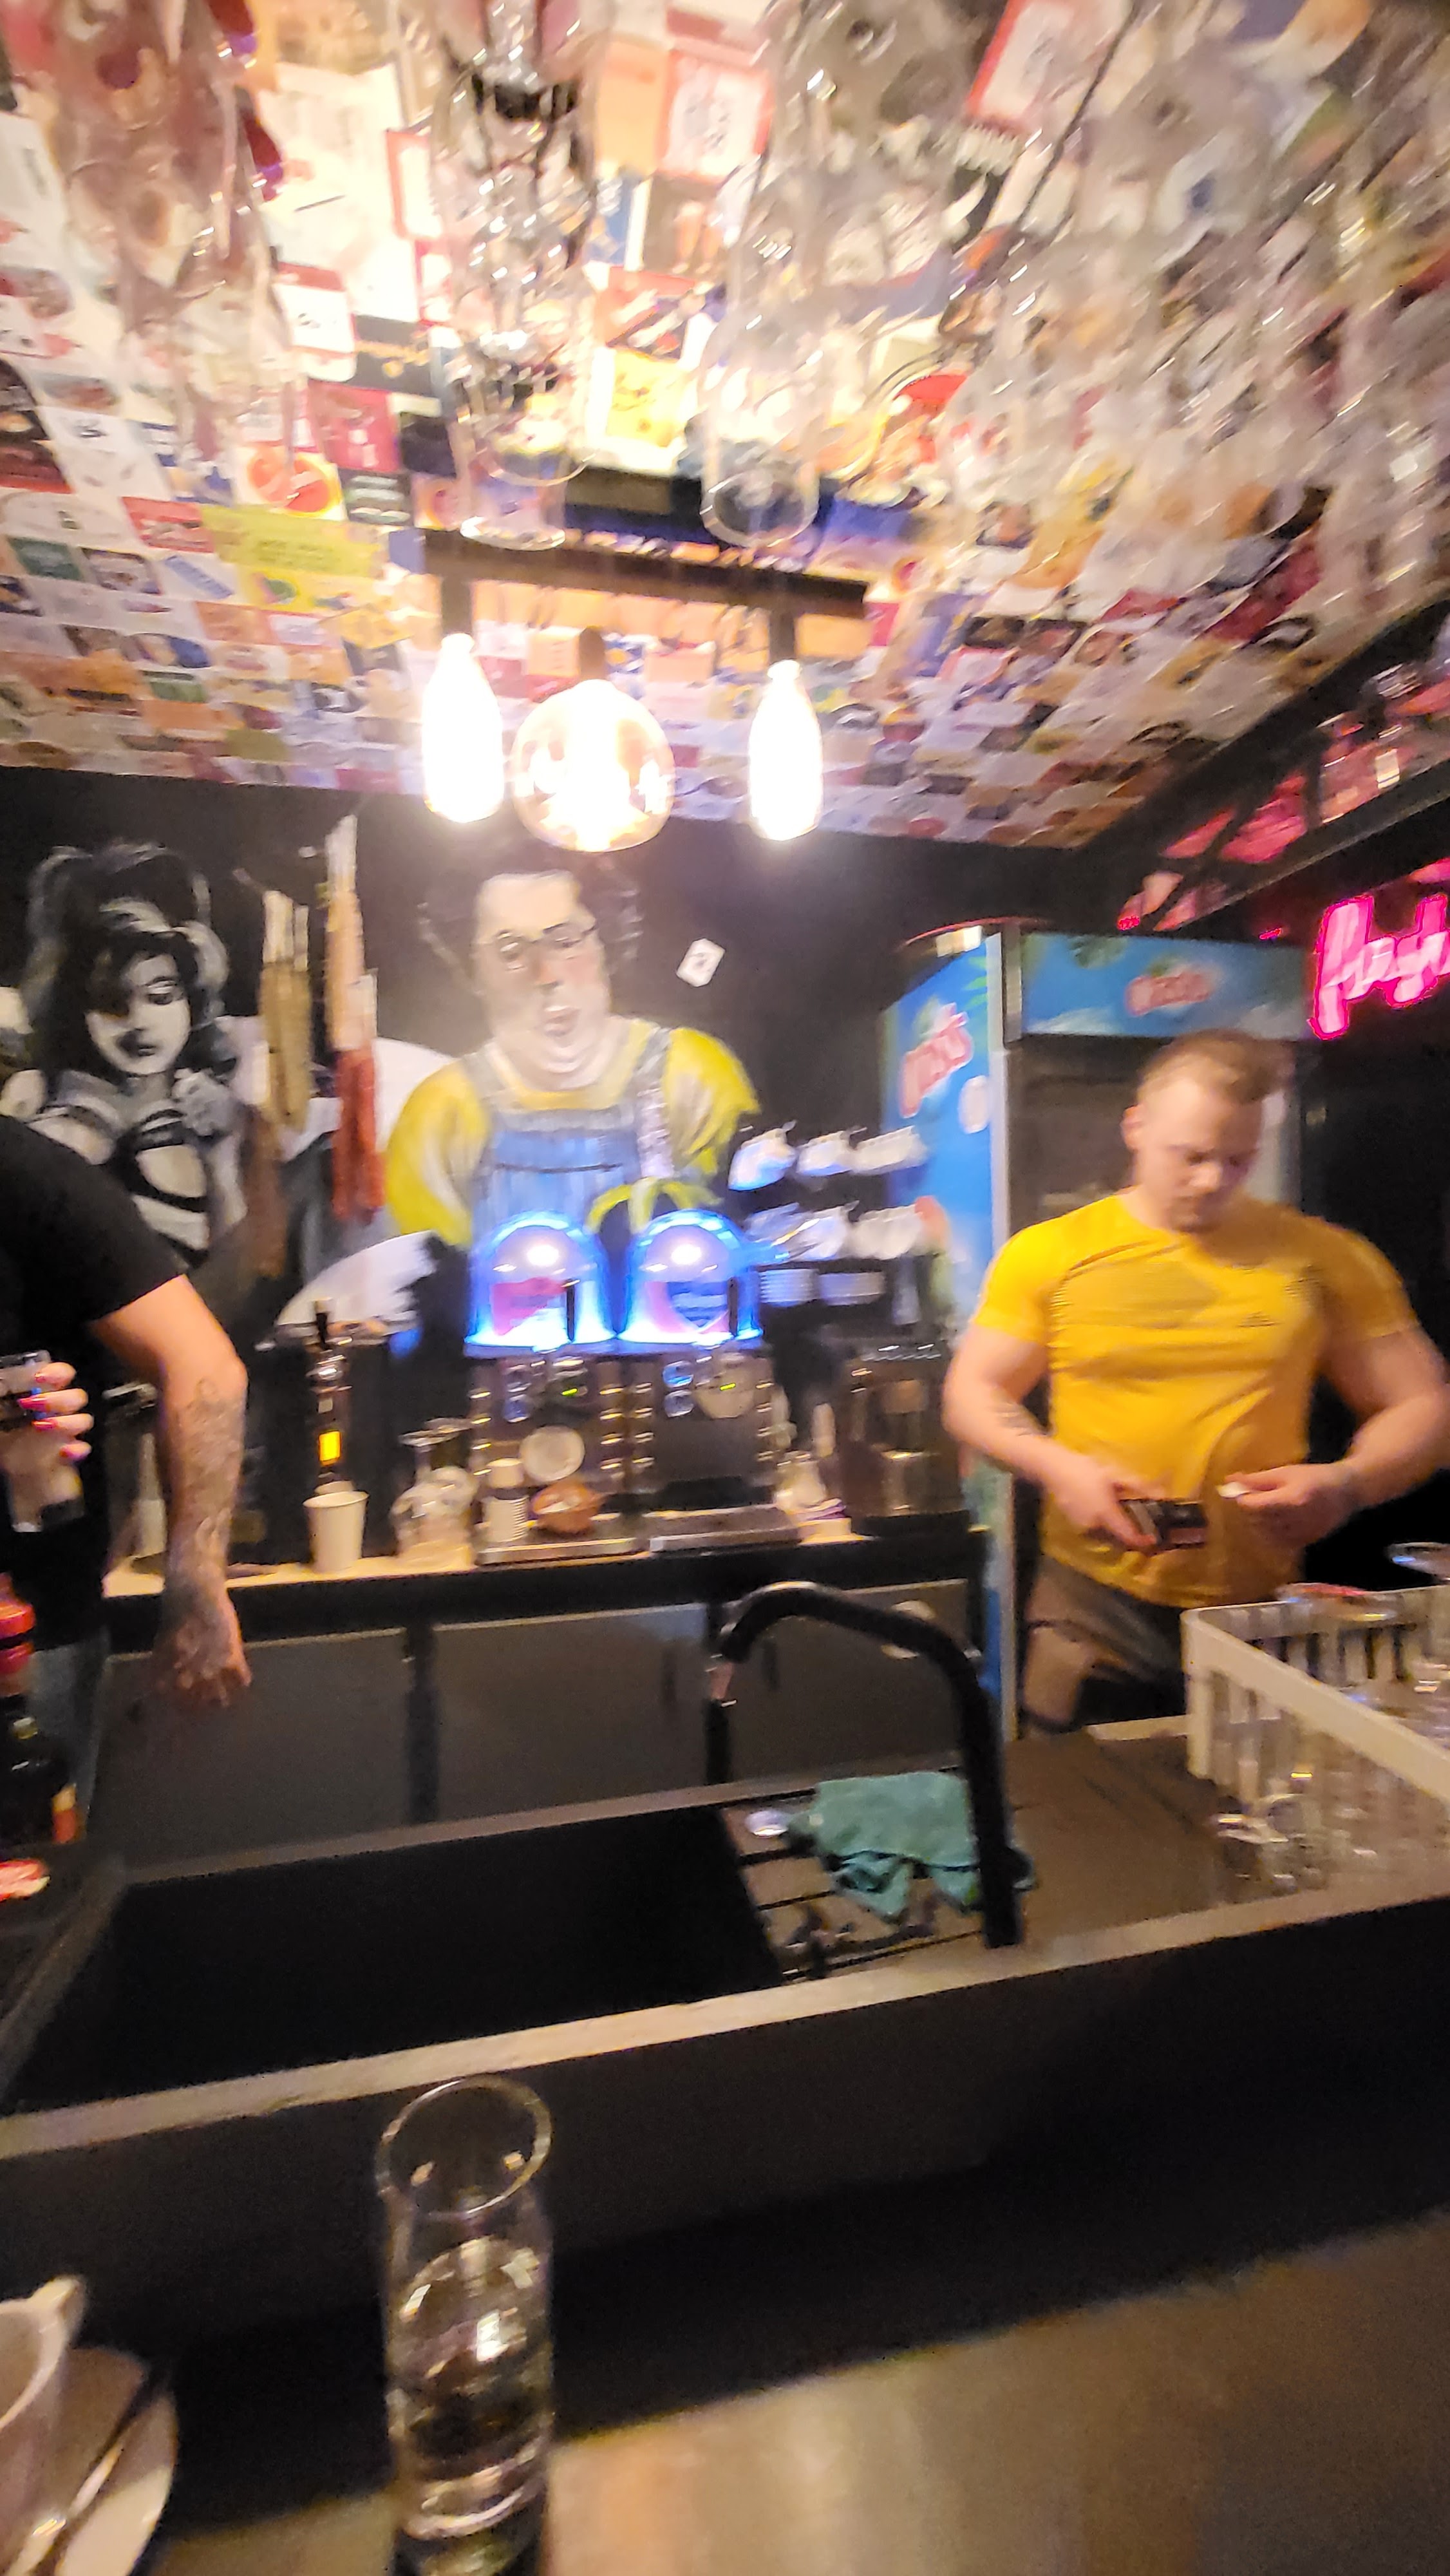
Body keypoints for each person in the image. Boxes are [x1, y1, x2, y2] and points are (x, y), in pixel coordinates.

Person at [943, 1030, 1450, 1730]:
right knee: (1078, 1797)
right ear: (1136, 1128)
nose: (1212, 1180)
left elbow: (1425, 1404)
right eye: (1190, 1156)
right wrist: (1059, 1468)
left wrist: (1345, 1484)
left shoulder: (1323, 1257)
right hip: (1095, 1612)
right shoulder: (1051, 1253)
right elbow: (971, 1393)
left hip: (1261, 1612)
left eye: (1237, 1160)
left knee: (1249, 1795)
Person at [0, 1117, 250, 1810]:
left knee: (32, 1872)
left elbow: (203, 1369)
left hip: (27, 1640)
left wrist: (195, 1582)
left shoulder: (24, 1175)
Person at [385, 863, 756, 1249]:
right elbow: (426, 1267)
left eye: (565, 942)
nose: (547, 974)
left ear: (605, 945)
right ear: (473, 970)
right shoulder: (440, 1115)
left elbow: (741, 1225)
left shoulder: (693, 1076)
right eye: (511, 952)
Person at [3, 841, 244, 1268]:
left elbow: (238, 1271)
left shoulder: (213, 1109)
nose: (139, 1022)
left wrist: (222, 1154)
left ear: (190, 997)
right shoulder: (45, 1108)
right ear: (78, 1008)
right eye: (112, 1002)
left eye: (161, 996)